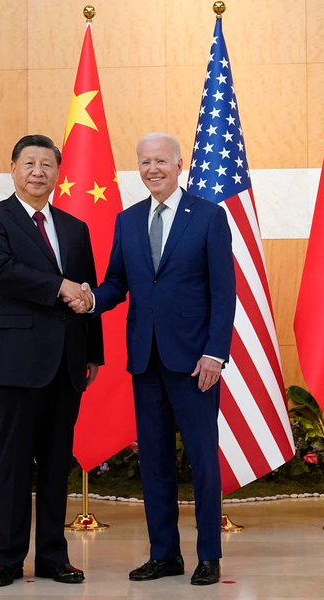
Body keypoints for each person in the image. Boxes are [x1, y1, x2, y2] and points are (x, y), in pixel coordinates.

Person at [66, 132, 235, 585]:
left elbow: (224, 292)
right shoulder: (127, 220)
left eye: (161, 160)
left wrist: (215, 354)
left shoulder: (209, 217)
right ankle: (165, 554)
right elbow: (117, 282)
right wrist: (91, 300)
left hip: (196, 363)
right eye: (144, 162)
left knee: (202, 461)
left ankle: (208, 555)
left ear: (180, 165)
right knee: (155, 462)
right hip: (146, 361)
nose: (152, 169)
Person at [0, 134, 103, 587]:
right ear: (12, 169)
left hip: (68, 362)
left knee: (54, 463)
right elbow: (2, 272)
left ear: (56, 173)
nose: (38, 172)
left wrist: (93, 353)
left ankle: (53, 556)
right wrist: (58, 286)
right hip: (16, 362)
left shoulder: (74, 228)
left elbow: (89, 294)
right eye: (29, 163)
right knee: (12, 464)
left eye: (46, 164)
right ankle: (7, 559)